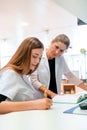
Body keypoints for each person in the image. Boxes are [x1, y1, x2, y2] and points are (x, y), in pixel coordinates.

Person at [0, 37, 52, 114]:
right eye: (34, 56)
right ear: (24, 54)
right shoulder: (10, 73)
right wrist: (35, 104)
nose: (37, 61)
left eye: (39, 58)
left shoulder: (23, 75)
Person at [30, 34, 87, 98]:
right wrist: (50, 93)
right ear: (51, 43)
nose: (57, 52)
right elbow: (34, 81)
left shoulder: (60, 58)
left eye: (61, 51)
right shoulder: (38, 56)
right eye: (56, 47)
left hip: (56, 97)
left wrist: (85, 88)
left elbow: (70, 76)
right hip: (41, 97)